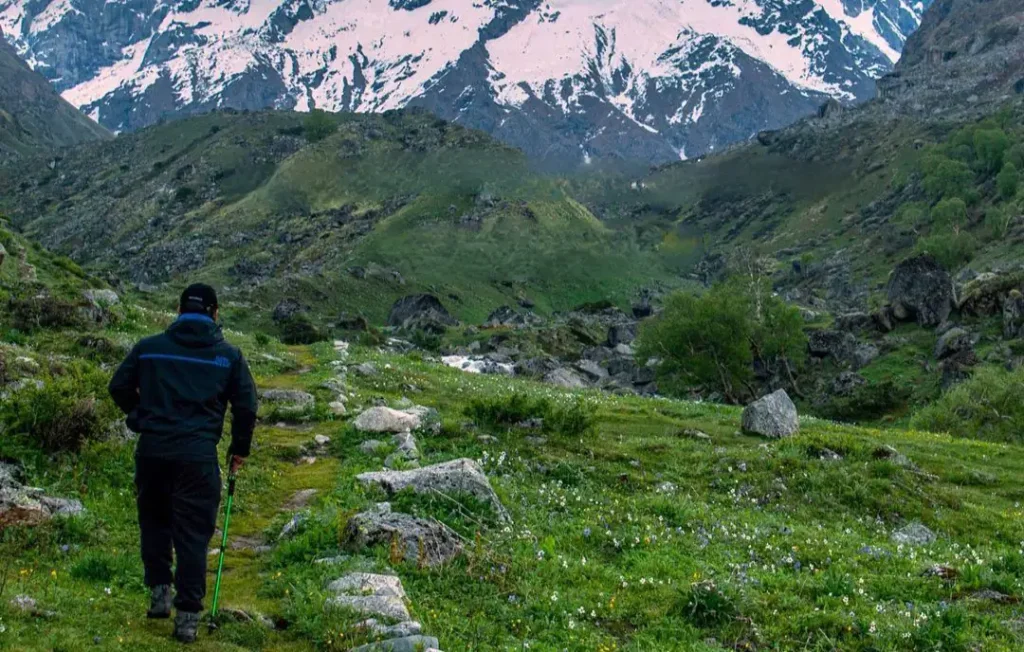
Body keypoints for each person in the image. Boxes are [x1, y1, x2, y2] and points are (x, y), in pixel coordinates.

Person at [109, 283, 257, 643]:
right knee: (192, 535)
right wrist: (239, 449)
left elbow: (118, 386)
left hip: (153, 452)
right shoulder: (228, 356)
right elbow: (246, 405)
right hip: (197, 456)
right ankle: (187, 617)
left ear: (178, 310)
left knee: (155, 522)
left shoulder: (149, 349)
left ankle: (159, 594)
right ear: (215, 313)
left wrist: (140, 417)